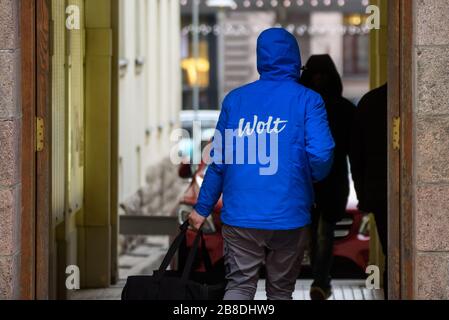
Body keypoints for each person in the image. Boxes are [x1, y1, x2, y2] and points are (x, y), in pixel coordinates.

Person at [188, 28, 335, 300]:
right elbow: (322, 155)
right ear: (294, 60)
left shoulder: (236, 100)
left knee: (240, 287)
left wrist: (201, 209)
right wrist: (304, 178)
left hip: (241, 215)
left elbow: (218, 161)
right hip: (289, 214)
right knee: (281, 292)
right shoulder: (308, 100)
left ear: (261, 59)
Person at [299, 54, 356, 300]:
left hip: (315, 183)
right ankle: (321, 280)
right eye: (315, 74)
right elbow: (356, 151)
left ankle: (321, 280)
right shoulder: (344, 109)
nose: (318, 79)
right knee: (321, 233)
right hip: (330, 181)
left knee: (319, 233)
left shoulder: (301, 108)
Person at [350, 83, 388, 298]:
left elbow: (356, 154)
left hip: (378, 190)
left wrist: (363, 194)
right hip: (382, 189)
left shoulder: (369, 101)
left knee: (388, 248)